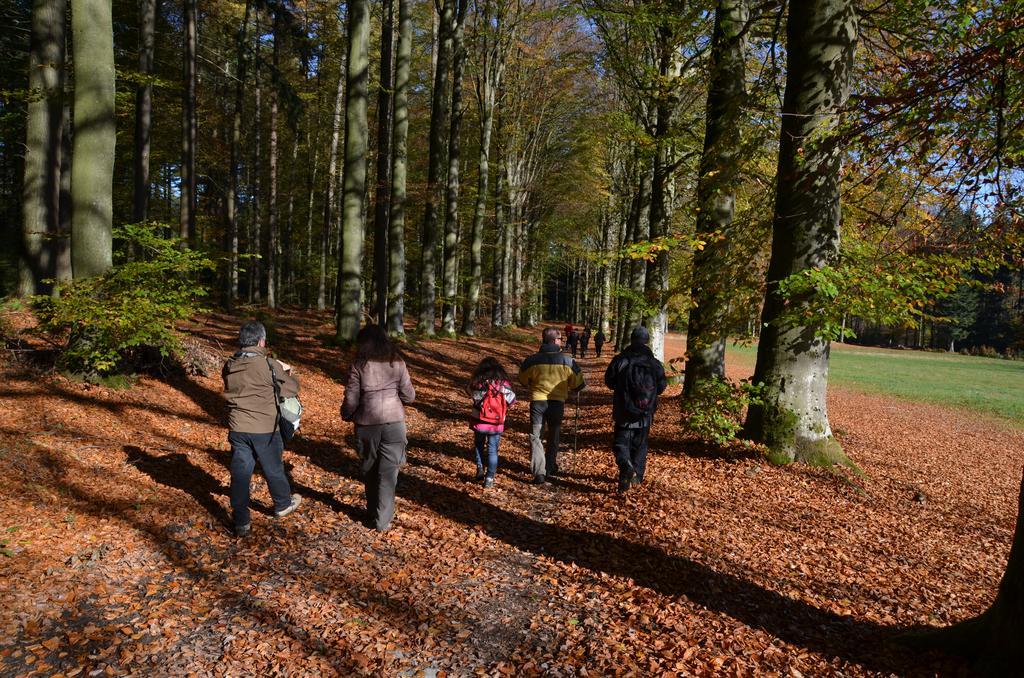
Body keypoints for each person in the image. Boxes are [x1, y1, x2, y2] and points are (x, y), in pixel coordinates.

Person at [222, 321, 303, 537]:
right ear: (261, 341)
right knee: (273, 468)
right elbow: (292, 388)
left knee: (240, 472)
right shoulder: (268, 365)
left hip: (238, 427)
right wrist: (287, 370)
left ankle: (241, 520)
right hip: (265, 428)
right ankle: (283, 504)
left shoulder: (230, 364)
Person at [341, 325, 416, 532]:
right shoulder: (397, 362)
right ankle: (382, 520)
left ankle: (373, 511)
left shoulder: (358, 364)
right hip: (394, 424)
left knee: (370, 469)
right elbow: (410, 396)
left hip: (367, 424)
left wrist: (347, 414)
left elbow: (351, 398)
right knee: (388, 473)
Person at [604, 325, 668, 493]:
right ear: (647, 341)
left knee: (621, 444)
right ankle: (637, 478)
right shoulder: (654, 363)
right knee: (640, 446)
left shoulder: (620, 360)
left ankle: (625, 469)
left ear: (631, 340)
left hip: (623, 411)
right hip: (644, 413)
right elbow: (662, 387)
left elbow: (609, 382)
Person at [518, 327, 585, 484]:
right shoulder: (567, 361)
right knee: (554, 435)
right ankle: (549, 467)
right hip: (557, 403)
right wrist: (574, 387)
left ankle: (539, 472)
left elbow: (522, 379)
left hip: (537, 402)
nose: (561, 341)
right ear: (555, 340)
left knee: (536, 436)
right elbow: (578, 383)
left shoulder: (531, 360)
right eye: (560, 339)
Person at [467, 357, 517, 488]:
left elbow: (472, 395)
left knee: (478, 445)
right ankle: (489, 478)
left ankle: (479, 467)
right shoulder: (503, 384)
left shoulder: (479, 382)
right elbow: (512, 401)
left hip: (479, 421)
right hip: (496, 423)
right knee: (492, 450)